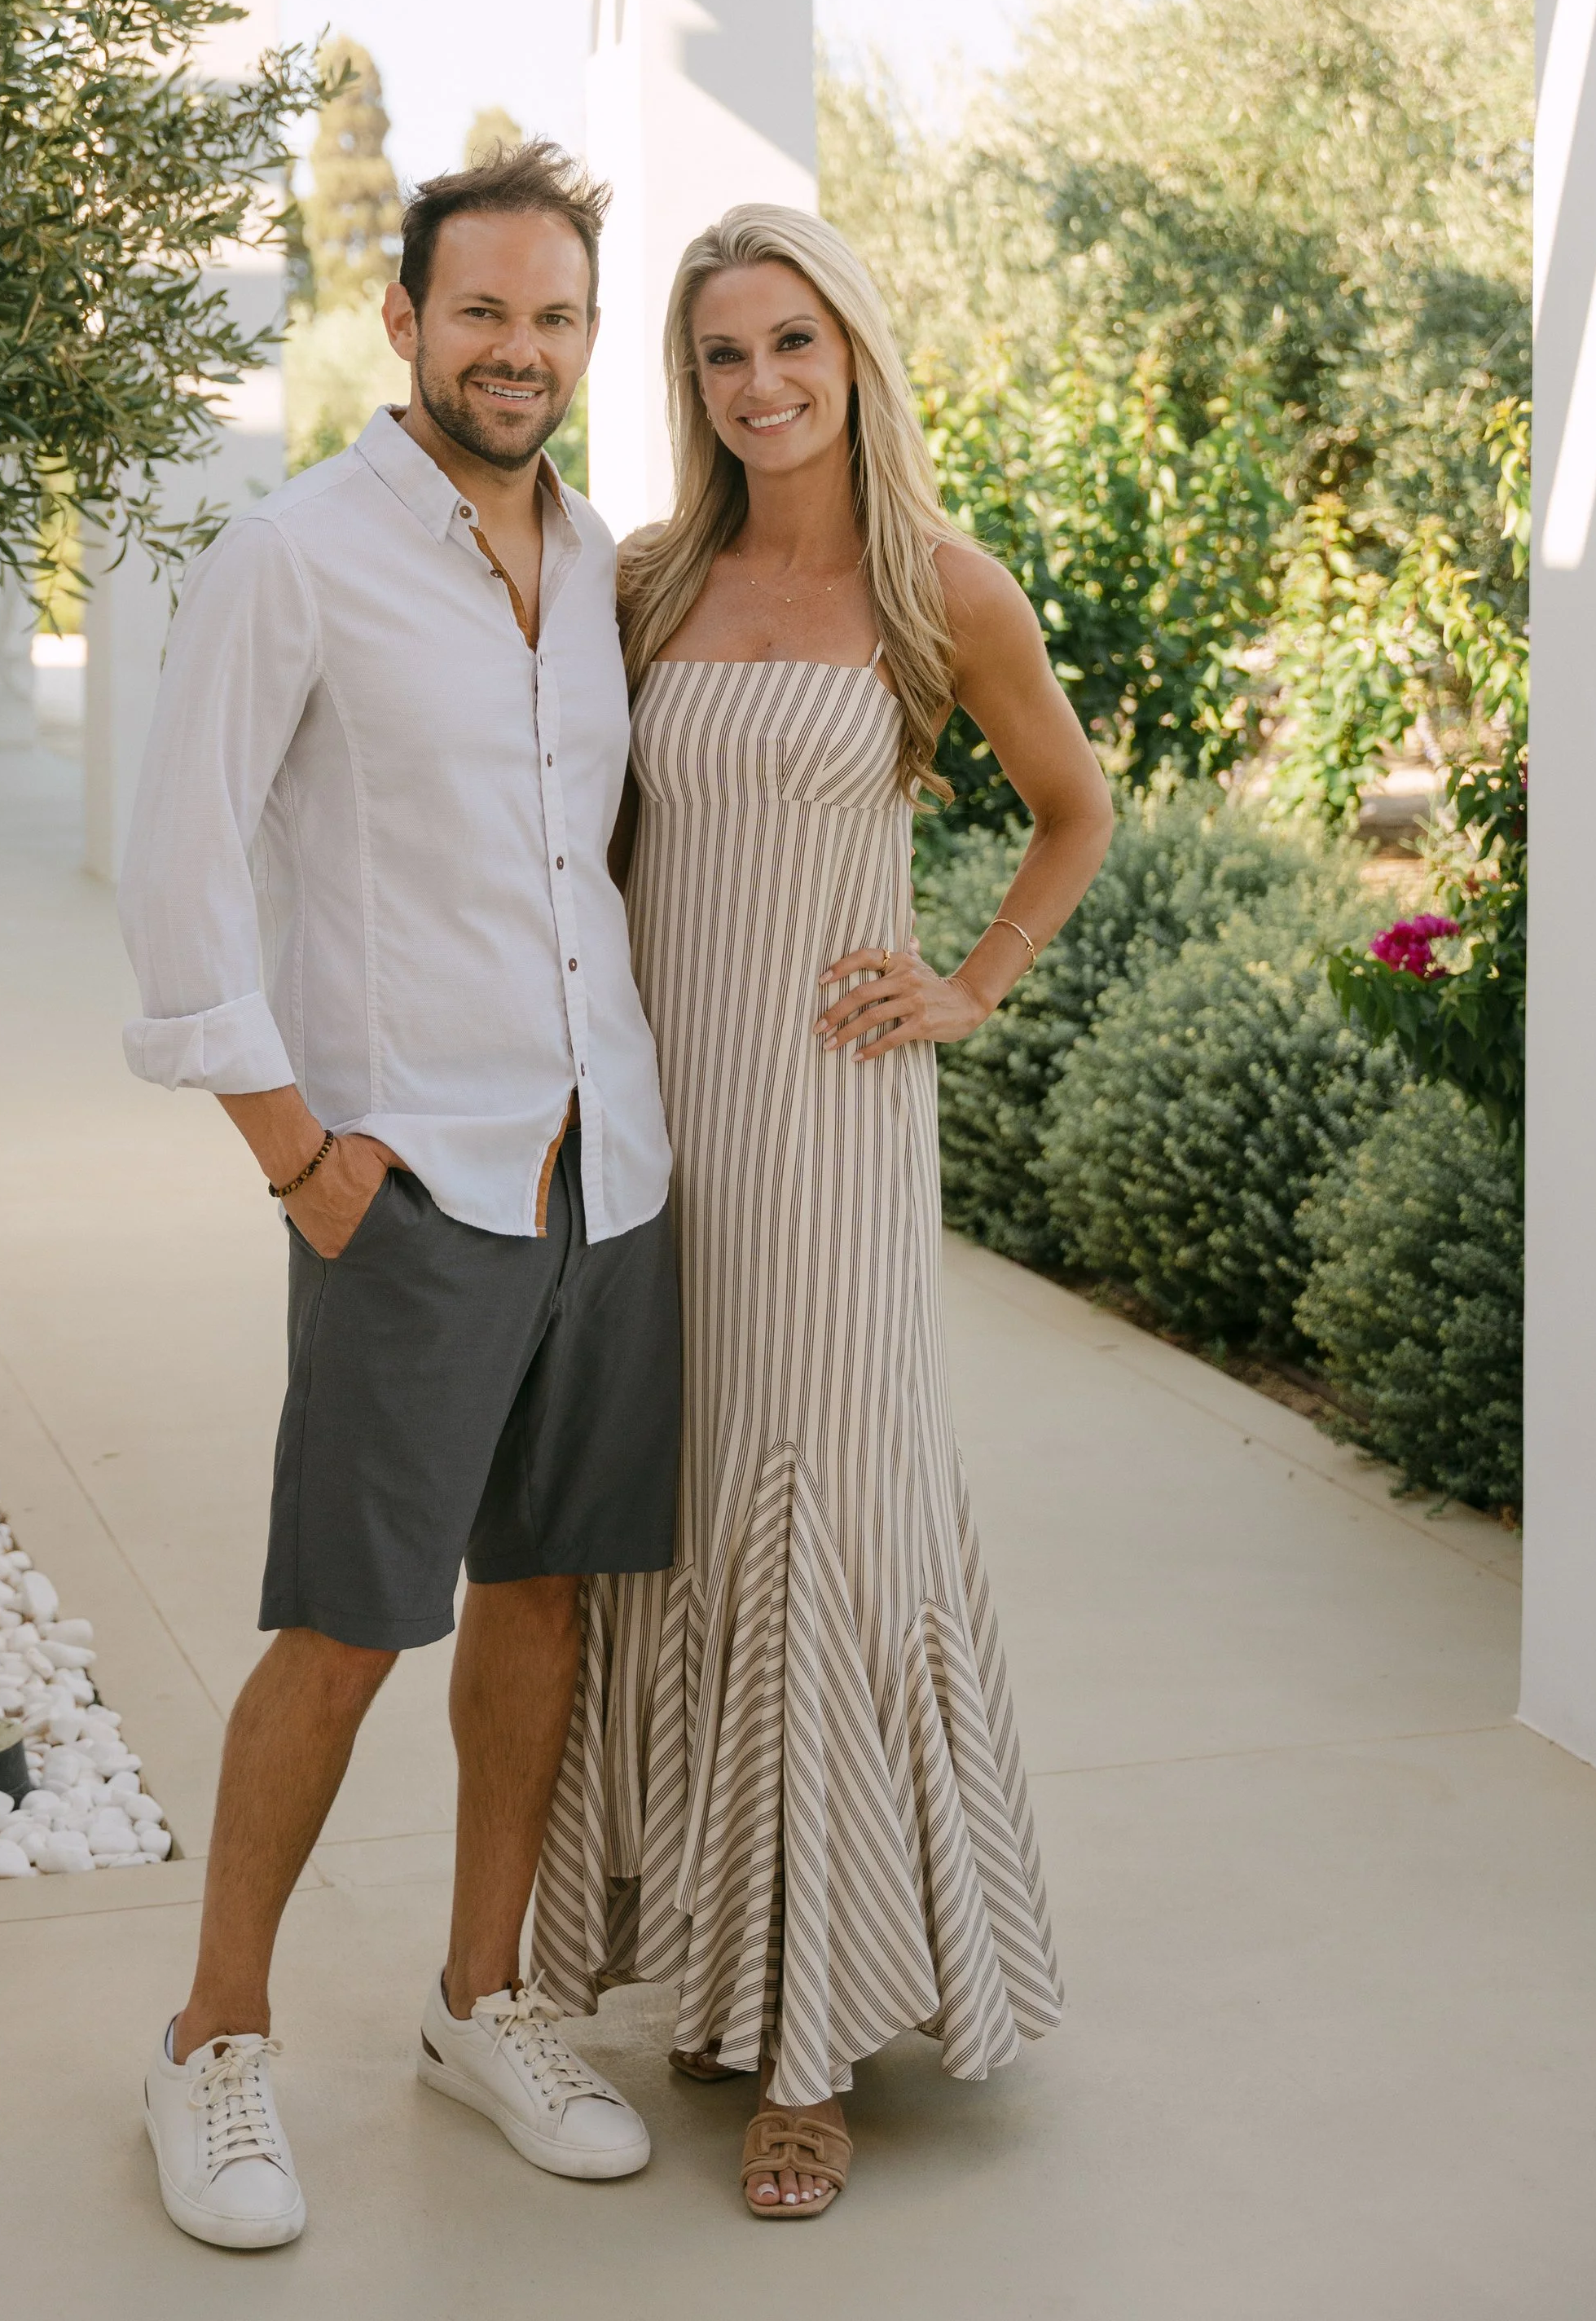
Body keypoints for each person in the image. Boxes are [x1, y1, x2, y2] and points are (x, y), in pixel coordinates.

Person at [117, 141, 679, 2251]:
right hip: (409, 1180)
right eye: (482, 312)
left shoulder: (602, 562)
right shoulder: (296, 555)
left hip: (605, 1169)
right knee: (346, 1627)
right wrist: (297, 1155)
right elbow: (181, 873)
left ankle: (479, 1998)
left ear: (583, 337)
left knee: (541, 1598)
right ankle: (213, 2039)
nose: (518, 349)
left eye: (553, 316)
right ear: (405, 319)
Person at [531, 204, 1114, 2220]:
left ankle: (815, 2049)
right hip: (655, 1117)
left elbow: (1073, 808)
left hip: (833, 1123)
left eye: (793, 342)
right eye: (721, 353)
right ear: (685, 380)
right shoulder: (642, 581)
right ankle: (723, 1960)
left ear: (853, 353)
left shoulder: (941, 586)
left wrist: (968, 981)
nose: (759, 382)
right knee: (685, 1509)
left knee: (821, 1515)